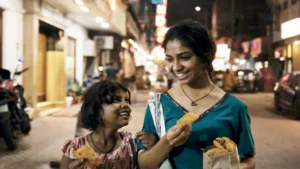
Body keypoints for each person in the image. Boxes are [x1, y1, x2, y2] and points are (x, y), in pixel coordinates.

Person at [137, 20, 256, 169]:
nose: (176, 67)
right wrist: (167, 141)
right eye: (170, 59)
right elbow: (143, 164)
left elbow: (249, 160)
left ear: (205, 56)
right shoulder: (158, 105)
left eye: (185, 57)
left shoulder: (234, 107)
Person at [60, 80, 158, 169]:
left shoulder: (133, 142)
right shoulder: (75, 148)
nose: (126, 105)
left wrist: (154, 145)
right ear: (96, 110)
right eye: (116, 100)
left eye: (127, 100)